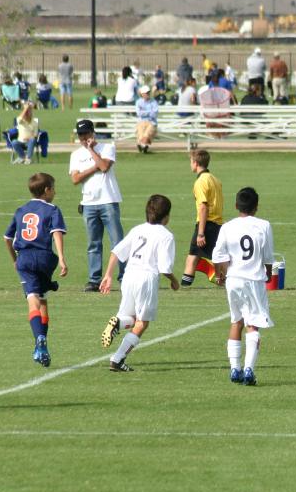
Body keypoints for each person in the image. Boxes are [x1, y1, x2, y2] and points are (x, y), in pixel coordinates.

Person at [99, 195, 179, 372]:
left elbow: (117, 252)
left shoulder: (137, 229)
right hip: (146, 278)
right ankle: (118, 359)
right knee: (143, 322)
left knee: (132, 319)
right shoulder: (166, 236)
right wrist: (174, 281)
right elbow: (165, 267)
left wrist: (108, 275)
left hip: (129, 276)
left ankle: (118, 324)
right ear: (166, 216)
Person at [3, 173, 68, 368]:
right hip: (45, 259)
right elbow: (56, 232)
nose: (55, 192)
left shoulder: (21, 210)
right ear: (47, 190)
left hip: (24, 259)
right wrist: (62, 258)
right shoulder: (53, 210)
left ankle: (40, 340)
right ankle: (42, 345)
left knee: (33, 301)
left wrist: (15, 260)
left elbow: (7, 238)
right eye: (54, 188)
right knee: (43, 299)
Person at [212, 187, 274, 385]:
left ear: (236, 206)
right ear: (256, 206)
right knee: (252, 324)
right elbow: (268, 255)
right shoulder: (263, 225)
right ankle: (248, 369)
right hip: (254, 280)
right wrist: (269, 272)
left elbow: (218, 256)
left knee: (236, 322)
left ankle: (234, 369)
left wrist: (220, 274)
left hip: (233, 279)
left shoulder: (228, 227)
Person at [69, 119, 124, 293]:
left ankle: (124, 276)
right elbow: (75, 179)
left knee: (118, 242)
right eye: (80, 135)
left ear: (93, 133)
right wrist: (94, 168)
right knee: (93, 243)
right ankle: (94, 279)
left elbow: (105, 166)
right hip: (89, 203)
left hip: (108, 200)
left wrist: (91, 150)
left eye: (86, 133)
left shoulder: (107, 147)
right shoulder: (75, 155)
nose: (84, 138)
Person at [181, 149, 223, 287]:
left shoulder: (201, 182)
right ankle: (228, 281)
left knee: (192, 258)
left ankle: (185, 289)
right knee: (219, 259)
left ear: (195, 163)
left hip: (206, 224)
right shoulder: (215, 179)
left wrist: (200, 233)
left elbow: (203, 207)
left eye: (190, 162)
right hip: (218, 224)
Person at [134, 85, 158, 154]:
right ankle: (144, 145)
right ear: (142, 94)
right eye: (146, 93)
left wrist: (144, 112)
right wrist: (149, 112)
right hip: (141, 122)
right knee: (141, 133)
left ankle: (142, 145)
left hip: (151, 122)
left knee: (146, 134)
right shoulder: (138, 102)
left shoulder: (154, 102)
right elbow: (139, 113)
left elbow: (154, 114)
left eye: (148, 92)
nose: (148, 94)